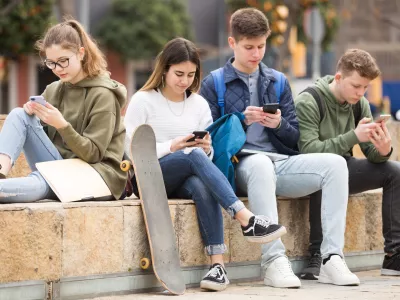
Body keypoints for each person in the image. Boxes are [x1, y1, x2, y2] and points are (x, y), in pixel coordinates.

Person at [200, 7, 360, 288]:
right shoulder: (213, 83)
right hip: (240, 164)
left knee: (335, 164)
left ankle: (331, 258)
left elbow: (295, 138)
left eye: (261, 46)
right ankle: (274, 261)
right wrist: (241, 120)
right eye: (249, 47)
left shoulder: (278, 81)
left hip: (279, 162)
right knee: (260, 164)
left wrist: (278, 125)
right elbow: (207, 137)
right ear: (232, 43)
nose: (256, 54)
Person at [123, 37, 286, 292]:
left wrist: (207, 149)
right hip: (149, 176)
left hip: (184, 174)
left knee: (200, 182)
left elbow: (203, 160)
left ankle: (217, 266)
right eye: (178, 74)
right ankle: (246, 219)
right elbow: (130, 150)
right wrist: (173, 146)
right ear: (164, 69)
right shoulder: (143, 100)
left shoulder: (198, 104)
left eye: (190, 74)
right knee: (192, 156)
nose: (184, 81)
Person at [295, 49, 400, 278]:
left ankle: (394, 257)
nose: (361, 92)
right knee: (330, 168)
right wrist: (353, 136)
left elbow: (370, 152)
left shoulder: (359, 103)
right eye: (356, 86)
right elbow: (308, 151)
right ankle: (317, 255)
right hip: (307, 171)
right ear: (339, 77)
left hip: (343, 167)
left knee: (396, 171)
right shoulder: (309, 100)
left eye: (365, 88)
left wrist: (383, 150)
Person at [0, 19, 127, 202]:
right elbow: (40, 136)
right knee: (19, 114)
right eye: (51, 63)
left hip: (97, 175)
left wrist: (61, 125)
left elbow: (93, 154)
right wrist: (34, 116)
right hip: (61, 169)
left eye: (63, 61)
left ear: (81, 53)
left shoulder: (103, 95)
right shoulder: (54, 89)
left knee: (42, 183)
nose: (57, 69)